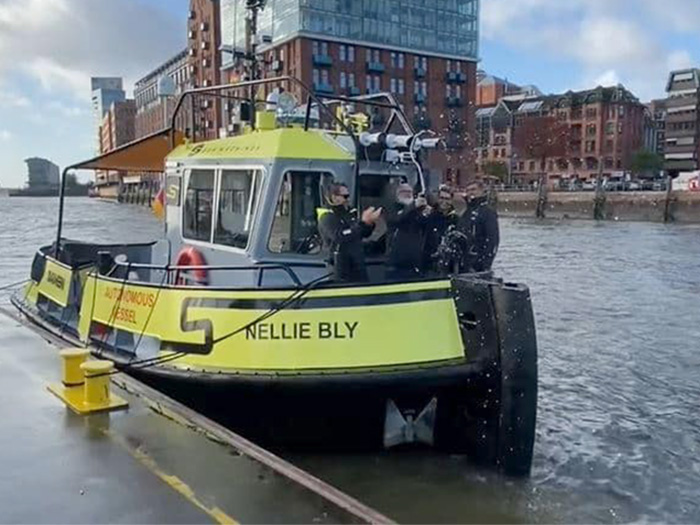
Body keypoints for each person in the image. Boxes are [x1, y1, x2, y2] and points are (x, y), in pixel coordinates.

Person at [318, 182, 382, 283]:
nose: (348, 199)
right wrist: (362, 224)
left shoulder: (351, 213)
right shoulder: (327, 217)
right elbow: (339, 236)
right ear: (334, 198)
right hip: (341, 268)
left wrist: (369, 223)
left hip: (357, 263)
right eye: (345, 196)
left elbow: (361, 233)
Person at [385, 183, 431, 280]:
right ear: (397, 194)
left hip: (415, 264)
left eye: (409, 192)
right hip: (396, 264)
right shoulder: (391, 208)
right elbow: (397, 219)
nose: (407, 194)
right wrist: (413, 205)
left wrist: (427, 214)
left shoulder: (416, 211)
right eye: (403, 191)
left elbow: (425, 228)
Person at [457, 179, 500, 273]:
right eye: (468, 190)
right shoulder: (466, 213)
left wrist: (485, 265)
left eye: (473, 189)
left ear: (481, 191)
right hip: (463, 264)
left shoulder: (487, 212)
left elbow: (492, 240)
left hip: (477, 265)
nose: (470, 193)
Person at [422, 184, 458, 273]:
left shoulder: (456, 220)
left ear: (452, 201)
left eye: (447, 199)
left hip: (449, 265)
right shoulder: (428, 217)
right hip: (428, 263)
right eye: (442, 198)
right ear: (438, 199)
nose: (444, 201)